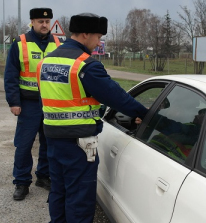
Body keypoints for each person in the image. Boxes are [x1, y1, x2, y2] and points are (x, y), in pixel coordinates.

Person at [36, 13, 148, 222]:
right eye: (98, 37)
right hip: (78, 143)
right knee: (79, 197)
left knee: (59, 191)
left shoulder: (46, 61)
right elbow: (118, 97)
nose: (99, 43)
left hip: (52, 138)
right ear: (85, 34)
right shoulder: (85, 65)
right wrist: (144, 113)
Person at [4, 7, 62, 201]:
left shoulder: (58, 43)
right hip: (28, 104)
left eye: (47, 22)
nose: (44, 25)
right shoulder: (20, 44)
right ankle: (21, 182)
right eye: (40, 21)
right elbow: (10, 75)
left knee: (49, 143)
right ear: (32, 23)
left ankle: (43, 177)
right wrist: (14, 101)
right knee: (23, 145)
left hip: (50, 104)